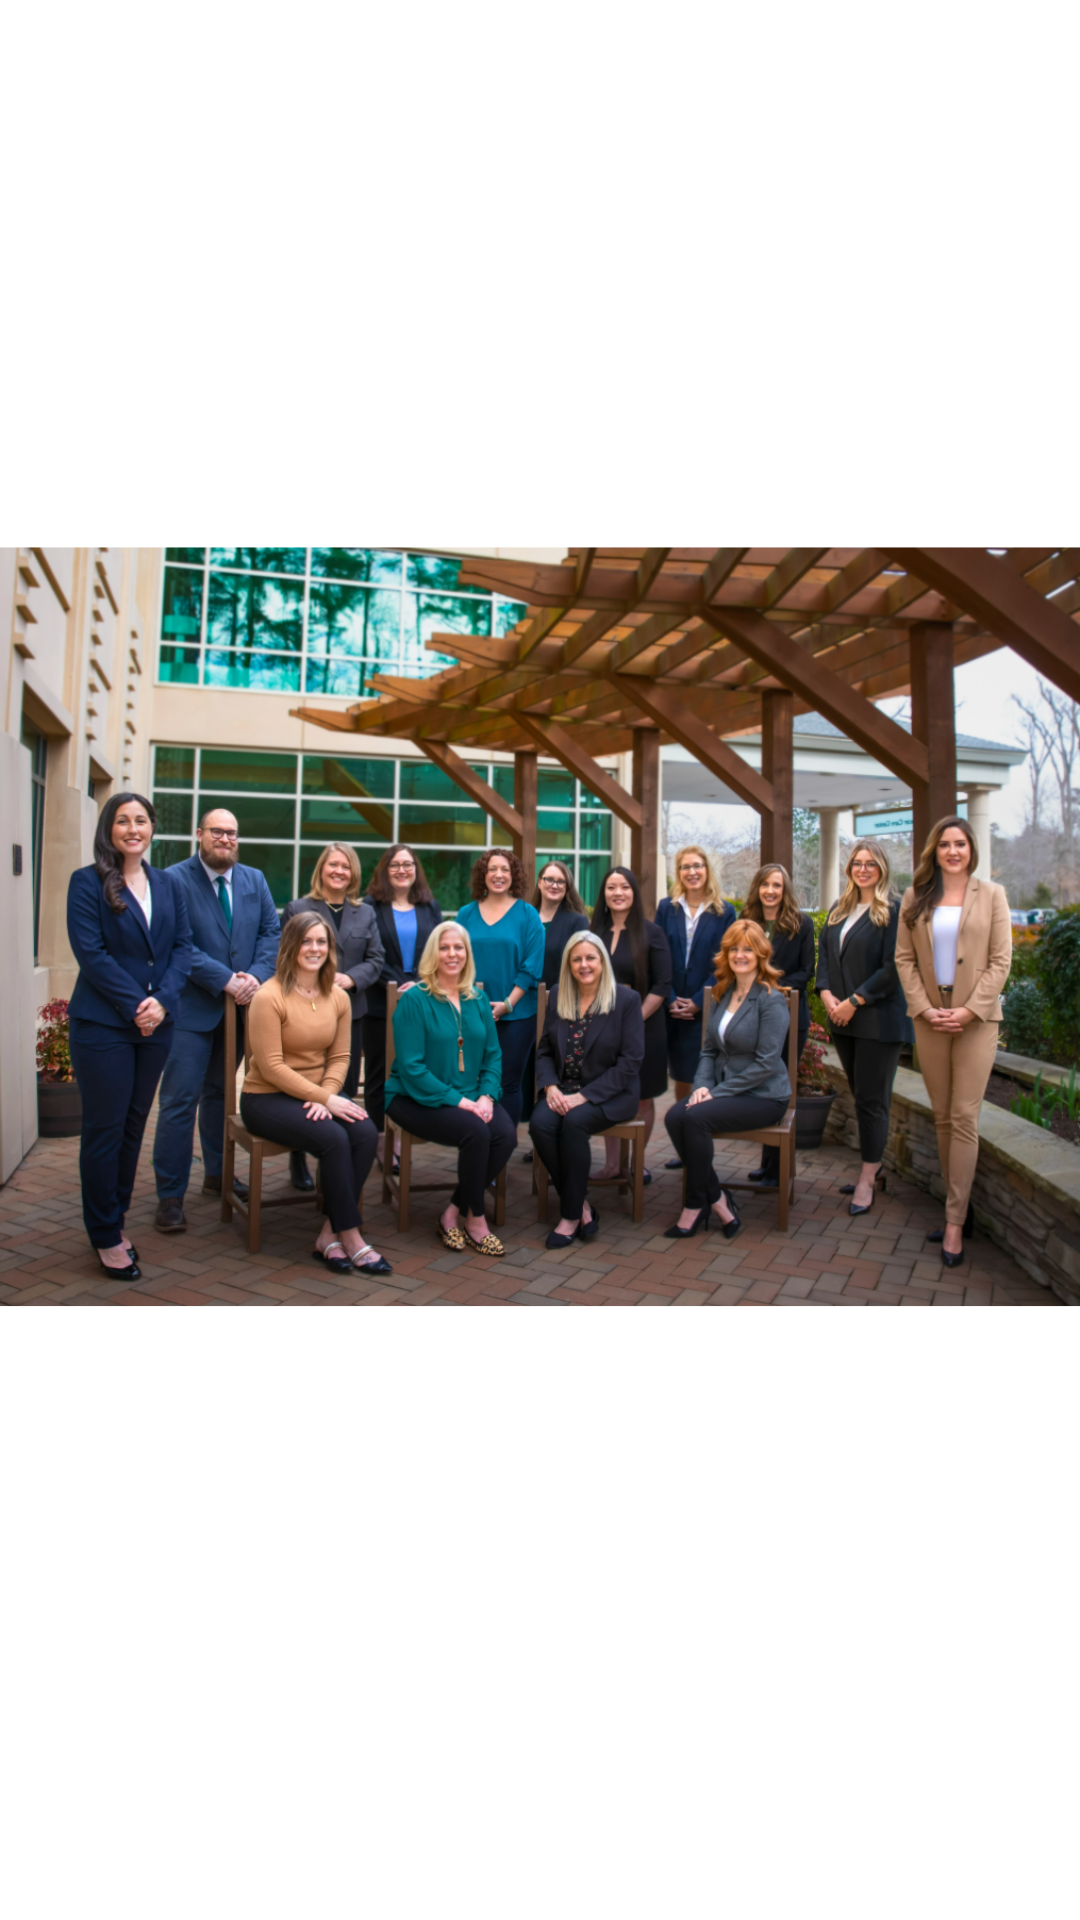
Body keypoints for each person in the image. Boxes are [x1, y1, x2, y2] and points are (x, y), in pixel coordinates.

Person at [67, 794, 193, 1280]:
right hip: (104, 1025)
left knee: (134, 1126)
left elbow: (183, 948)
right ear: (109, 829)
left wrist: (160, 1001)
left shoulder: (167, 884)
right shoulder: (87, 882)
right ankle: (103, 1234)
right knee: (104, 1128)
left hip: (157, 1024)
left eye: (141, 820)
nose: (132, 828)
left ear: (152, 829)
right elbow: (91, 954)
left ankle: (114, 1219)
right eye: (123, 820)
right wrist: (137, 1004)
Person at [152, 808, 281, 1233]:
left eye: (232, 833)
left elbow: (271, 934)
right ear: (199, 834)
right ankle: (170, 1195)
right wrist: (225, 979)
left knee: (223, 1098)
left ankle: (218, 1176)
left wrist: (255, 977)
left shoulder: (254, 880)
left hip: (241, 1010)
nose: (225, 838)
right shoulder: (172, 879)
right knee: (178, 1102)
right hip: (191, 1010)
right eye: (217, 832)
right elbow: (174, 944)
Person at [240, 913, 390, 1277]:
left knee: (366, 1131)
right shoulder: (268, 996)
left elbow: (341, 1057)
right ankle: (351, 1236)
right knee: (335, 1138)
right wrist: (325, 1099)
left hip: (316, 1094)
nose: (314, 949)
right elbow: (272, 1066)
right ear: (291, 946)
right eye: (306, 941)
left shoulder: (337, 996)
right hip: (266, 1097)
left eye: (321, 942)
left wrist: (326, 1094)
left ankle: (329, 1233)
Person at [896, 817, 1013, 1267]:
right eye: (944, 844)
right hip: (929, 1019)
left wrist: (968, 1010)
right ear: (934, 851)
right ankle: (957, 1206)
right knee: (943, 1117)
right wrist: (925, 1008)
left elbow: (1001, 961)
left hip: (975, 1021)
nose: (952, 851)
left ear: (971, 849)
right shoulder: (916, 896)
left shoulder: (994, 896)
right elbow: (904, 959)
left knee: (964, 1116)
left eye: (960, 843)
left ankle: (953, 1222)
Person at [384, 922, 516, 1258]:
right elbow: (412, 1068)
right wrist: (461, 1102)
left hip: (471, 1093)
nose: (452, 954)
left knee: (505, 1134)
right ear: (433, 953)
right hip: (412, 1096)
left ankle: (453, 1211)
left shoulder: (478, 998)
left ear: (467, 954)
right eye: (445, 948)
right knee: (476, 1132)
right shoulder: (415, 999)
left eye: (459, 948)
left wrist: (486, 1095)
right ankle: (477, 1218)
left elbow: (493, 1056)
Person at [664, 921, 791, 1242]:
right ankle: (717, 1197)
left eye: (748, 948)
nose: (740, 955)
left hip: (764, 1096)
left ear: (761, 952)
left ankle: (695, 1205)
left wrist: (715, 1093)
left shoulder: (771, 999)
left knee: (694, 1118)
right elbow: (708, 1051)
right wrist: (701, 1088)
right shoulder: (724, 992)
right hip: (725, 1090)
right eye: (734, 948)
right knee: (674, 1115)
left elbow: (766, 1064)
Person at [817, 840, 913, 1219]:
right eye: (857, 863)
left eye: (870, 864)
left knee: (872, 1102)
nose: (863, 869)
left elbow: (893, 969)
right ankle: (878, 1168)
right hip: (842, 1021)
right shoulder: (838, 911)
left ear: (883, 868)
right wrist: (826, 995)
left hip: (876, 1020)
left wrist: (854, 1001)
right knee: (862, 1098)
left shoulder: (893, 911)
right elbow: (825, 960)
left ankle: (867, 1178)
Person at [530, 932, 645, 1249]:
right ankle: (581, 1205)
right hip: (562, 1088)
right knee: (540, 1125)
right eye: (577, 959)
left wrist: (583, 1097)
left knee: (574, 1123)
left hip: (610, 1092)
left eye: (590, 958)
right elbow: (543, 1051)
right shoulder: (558, 995)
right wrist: (550, 1086)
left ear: (602, 961)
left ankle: (568, 1216)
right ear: (569, 963)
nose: (584, 965)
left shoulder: (626, 1000)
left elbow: (631, 1062)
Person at [282, 844, 385, 1192]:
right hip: (303, 1011)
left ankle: (335, 1156)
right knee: (304, 1079)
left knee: (341, 1084)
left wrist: (352, 978)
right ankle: (298, 1154)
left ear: (353, 873)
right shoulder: (299, 908)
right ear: (321, 869)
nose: (339, 871)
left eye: (345, 866)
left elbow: (376, 958)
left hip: (349, 1012)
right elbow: (284, 957)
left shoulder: (365, 913)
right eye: (333, 865)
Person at [591, 867, 673, 1183]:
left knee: (642, 1096)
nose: (618, 893)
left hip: (644, 1029)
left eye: (624, 886)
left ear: (634, 892)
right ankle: (613, 1165)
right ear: (604, 894)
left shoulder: (652, 933)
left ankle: (637, 1163)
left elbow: (663, 985)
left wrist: (631, 1020)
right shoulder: (593, 933)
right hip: (600, 1032)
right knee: (609, 1094)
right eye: (611, 887)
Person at [656, 846, 736, 1167]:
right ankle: (685, 1147)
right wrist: (671, 997)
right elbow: (658, 954)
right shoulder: (667, 908)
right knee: (681, 1077)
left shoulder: (724, 911)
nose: (692, 872)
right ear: (679, 873)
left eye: (698, 866)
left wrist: (701, 1001)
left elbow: (726, 961)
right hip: (672, 1005)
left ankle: (700, 1149)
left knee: (700, 1076)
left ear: (707, 870)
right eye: (686, 867)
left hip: (705, 1007)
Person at [362, 845, 444, 1152]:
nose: (402, 870)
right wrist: (397, 984)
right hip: (380, 1003)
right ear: (385, 870)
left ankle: (400, 1137)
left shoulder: (429, 906)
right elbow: (369, 953)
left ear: (416, 870)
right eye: (395, 865)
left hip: (421, 1002)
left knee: (411, 1068)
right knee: (378, 1073)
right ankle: (379, 1142)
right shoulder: (370, 906)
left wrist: (422, 982)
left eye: (408, 864)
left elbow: (438, 949)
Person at [456, 851, 545, 1131]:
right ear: (482, 875)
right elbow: (455, 959)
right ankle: (479, 1143)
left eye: (504, 869)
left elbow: (532, 966)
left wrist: (507, 1003)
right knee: (474, 1081)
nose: (498, 874)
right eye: (492, 869)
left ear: (513, 875)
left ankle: (502, 1149)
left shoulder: (528, 915)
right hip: (471, 1012)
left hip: (517, 1015)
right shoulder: (465, 913)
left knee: (507, 1083)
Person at [742, 863, 817, 1189]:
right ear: (757, 888)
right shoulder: (747, 923)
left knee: (781, 1092)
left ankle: (777, 1170)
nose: (770, 891)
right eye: (765, 885)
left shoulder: (802, 924)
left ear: (785, 889)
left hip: (788, 1019)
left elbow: (806, 972)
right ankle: (767, 1163)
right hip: (753, 1019)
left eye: (777, 885)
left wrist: (769, 984)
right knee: (761, 1089)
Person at [520, 861, 590, 1163]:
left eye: (561, 881)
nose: (554, 885)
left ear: (567, 887)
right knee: (528, 1072)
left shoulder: (576, 922)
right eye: (549, 879)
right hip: (524, 1005)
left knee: (557, 1070)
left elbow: (580, 963)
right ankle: (539, 1139)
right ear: (539, 882)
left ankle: (556, 1138)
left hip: (562, 1007)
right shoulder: (523, 917)